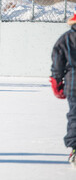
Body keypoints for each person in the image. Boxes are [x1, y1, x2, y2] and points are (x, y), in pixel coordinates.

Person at [50, 13, 76, 166]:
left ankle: (75, 149)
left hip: (73, 84)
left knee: (74, 116)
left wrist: (57, 80)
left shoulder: (66, 39)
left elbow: (57, 61)